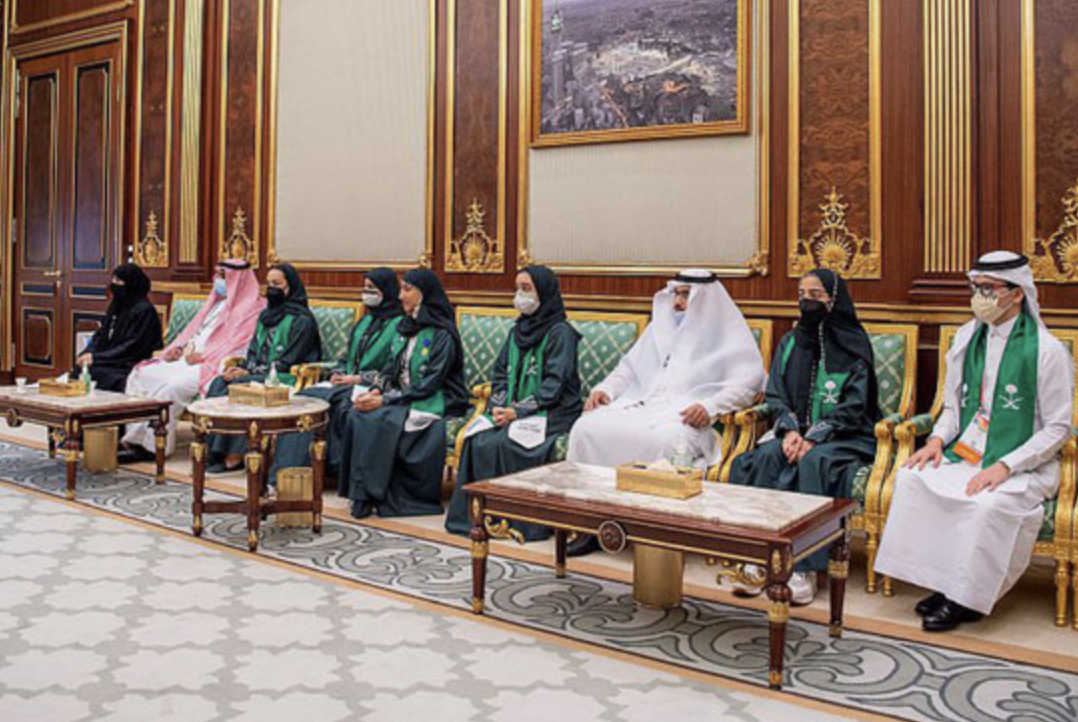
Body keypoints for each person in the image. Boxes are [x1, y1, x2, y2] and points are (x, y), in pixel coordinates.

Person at [874, 251, 1074, 631]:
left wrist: (1005, 466)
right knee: (912, 478)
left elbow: (1057, 429)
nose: (980, 297)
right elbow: (953, 407)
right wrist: (935, 441)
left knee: (985, 505)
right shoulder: (967, 338)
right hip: (970, 450)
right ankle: (943, 583)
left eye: (989, 289)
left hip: (1026, 463)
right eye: (976, 288)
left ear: (1017, 293)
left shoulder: (1048, 351)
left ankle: (967, 597)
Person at [565, 269, 766, 556]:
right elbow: (627, 370)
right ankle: (590, 525)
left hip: (687, 415)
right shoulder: (660, 327)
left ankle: (654, 531)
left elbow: (748, 384)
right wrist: (605, 389)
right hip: (643, 404)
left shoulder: (727, 332)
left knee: (666, 441)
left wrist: (710, 407)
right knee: (586, 428)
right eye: (675, 294)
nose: (677, 303)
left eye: (685, 295)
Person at [728, 269, 881, 605]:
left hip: (845, 436)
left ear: (834, 300)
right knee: (763, 459)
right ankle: (760, 559)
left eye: (815, 295)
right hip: (794, 434)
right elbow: (776, 394)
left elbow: (856, 405)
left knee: (814, 463)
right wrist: (789, 432)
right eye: (802, 295)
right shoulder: (790, 342)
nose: (807, 302)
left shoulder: (854, 344)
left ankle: (804, 567)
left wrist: (814, 437)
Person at [445, 266, 582, 540]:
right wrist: (499, 407)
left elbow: (554, 385)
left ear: (543, 292)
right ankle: (480, 517)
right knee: (478, 440)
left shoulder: (561, 333)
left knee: (510, 443)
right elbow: (500, 374)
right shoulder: (518, 330)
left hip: (553, 411)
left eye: (526, 289)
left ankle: (520, 522)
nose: (520, 295)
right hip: (511, 410)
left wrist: (517, 411)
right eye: (518, 288)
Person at [337, 268, 468, 519]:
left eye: (407, 290)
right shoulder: (404, 328)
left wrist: (385, 399)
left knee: (382, 418)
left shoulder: (443, 333)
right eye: (400, 289)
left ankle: (379, 493)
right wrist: (376, 390)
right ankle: (361, 493)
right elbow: (390, 370)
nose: (400, 296)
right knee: (356, 413)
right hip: (403, 395)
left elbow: (430, 383)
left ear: (424, 294)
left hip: (437, 398)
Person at [269, 268, 405, 487]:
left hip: (372, 387)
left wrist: (359, 378)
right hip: (345, 384)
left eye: (372, 288)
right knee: (304, 399)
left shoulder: (400, 326)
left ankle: (322, 470)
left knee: (337, 406)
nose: (366, 292)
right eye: (365, 287)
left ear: (386, 290)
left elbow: (394, 368)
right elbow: (346, 357)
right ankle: (286, 473)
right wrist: (339, 373)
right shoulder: (364, 322)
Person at [120, 260, 264, 460]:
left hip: (212, 365)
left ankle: (155, 447)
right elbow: (194, 333)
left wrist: (205, 357)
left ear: (238, 279)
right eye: (217, 274)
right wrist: (177, 350)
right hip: (187, 360)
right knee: (140, 373)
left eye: (222, 275)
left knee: (171, 388)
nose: (217, 279)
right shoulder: (216, 303)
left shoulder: (254, 310)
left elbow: (241, 348)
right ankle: (135, 439)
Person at [205, 263, 322, 472]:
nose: (271, 289)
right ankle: (213, 450)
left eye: (277, 284)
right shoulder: (265, 316)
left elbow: (288, 360)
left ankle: (235, 454)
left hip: (285, 376)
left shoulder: (302, 320)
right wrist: (241, 368)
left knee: (241, 386)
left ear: (290, 286)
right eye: (268, 284)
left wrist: (250, 372)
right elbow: (253, 351)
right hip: (259, 373)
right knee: (220, 382)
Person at [75, 263, 163, 392]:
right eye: (113, 280)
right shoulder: (117, 304)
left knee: (102, 374)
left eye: (119, 281)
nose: (114, 284)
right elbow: (102, 334)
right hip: (112, 358)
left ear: (131, 284)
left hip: (129, 360)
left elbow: (133, 346)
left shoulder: (144, 310)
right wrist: (88, 353)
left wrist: (98, 358)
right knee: (81, 369)